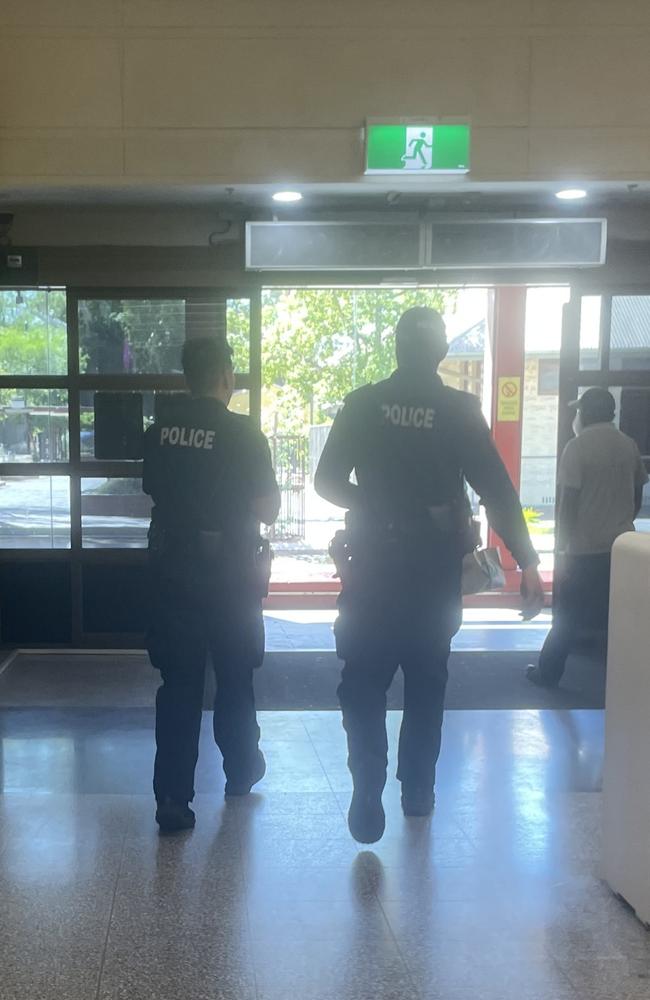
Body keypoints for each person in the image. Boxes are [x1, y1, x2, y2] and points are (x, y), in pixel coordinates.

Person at [314, 306, 544, 844]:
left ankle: (367, 777)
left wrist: (375, 506)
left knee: (363, 680)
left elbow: (327, 481)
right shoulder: (457, 409)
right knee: (427, 680)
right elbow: (497, 489)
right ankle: (417, 788)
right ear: (441, 353)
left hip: (371, 568)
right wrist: (527, 559)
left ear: (395, 349)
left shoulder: (364, 405)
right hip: (434, 574)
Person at [143, 337, 280, 833]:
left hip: (173, 576)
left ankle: (173, 800)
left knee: (178, 684)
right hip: (232, 580)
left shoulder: (158, 433)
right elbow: (266, 508)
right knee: (235, 679)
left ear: (187, 377)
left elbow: (153, 492)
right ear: (226, 375)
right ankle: (241, 771)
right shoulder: (244, 435)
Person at [527, 387, 648, 690]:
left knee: (567, 618)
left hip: (583, 549)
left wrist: (561, 548)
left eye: (578, 411)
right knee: (620, 616)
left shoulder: (576, 448)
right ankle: (627, 678)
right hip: (621, 549)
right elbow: (637, 493)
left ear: (586, 413)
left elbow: (568, 502)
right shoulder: (628, 445)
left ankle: (548, 673)